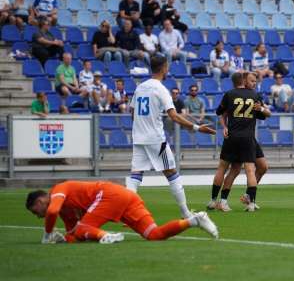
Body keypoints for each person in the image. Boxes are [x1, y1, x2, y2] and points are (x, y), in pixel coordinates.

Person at [126, 56, 216, 220]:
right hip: (155, 138)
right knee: (172, 173)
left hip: (139, 138)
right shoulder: (160, 89)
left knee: (135, 175)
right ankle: (185, 212)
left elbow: (132, 112)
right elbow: (174, 116)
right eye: (167, 67)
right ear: (163, 68)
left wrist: (142, 126)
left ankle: (128, 212)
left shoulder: (140, 87)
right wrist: (196, 127)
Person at [25, 181, 218, 244]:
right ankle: (195, 220)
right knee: (154, 235)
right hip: (125, 197)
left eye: (36, 211)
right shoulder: (63, 211)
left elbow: (51, 212)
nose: (38, 215)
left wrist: (47, 233)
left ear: (41, 200)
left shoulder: (58, 190)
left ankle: (107, 236)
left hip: (109, 194)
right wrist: (63, 239)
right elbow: (75, 233)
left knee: (85, 227)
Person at [213, 72, 269, 212]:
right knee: (243, 169)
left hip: (238, 137)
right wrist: (261, 108)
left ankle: (225, 200)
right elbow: (266, 114)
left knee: (262, 167)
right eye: (252, 80)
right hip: (246, 137)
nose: (254, 83)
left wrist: (224, 126)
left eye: (256, 81)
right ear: (244, 80)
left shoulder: (231, 94)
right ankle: (247, 201)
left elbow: (221, 112)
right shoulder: (254, 96)